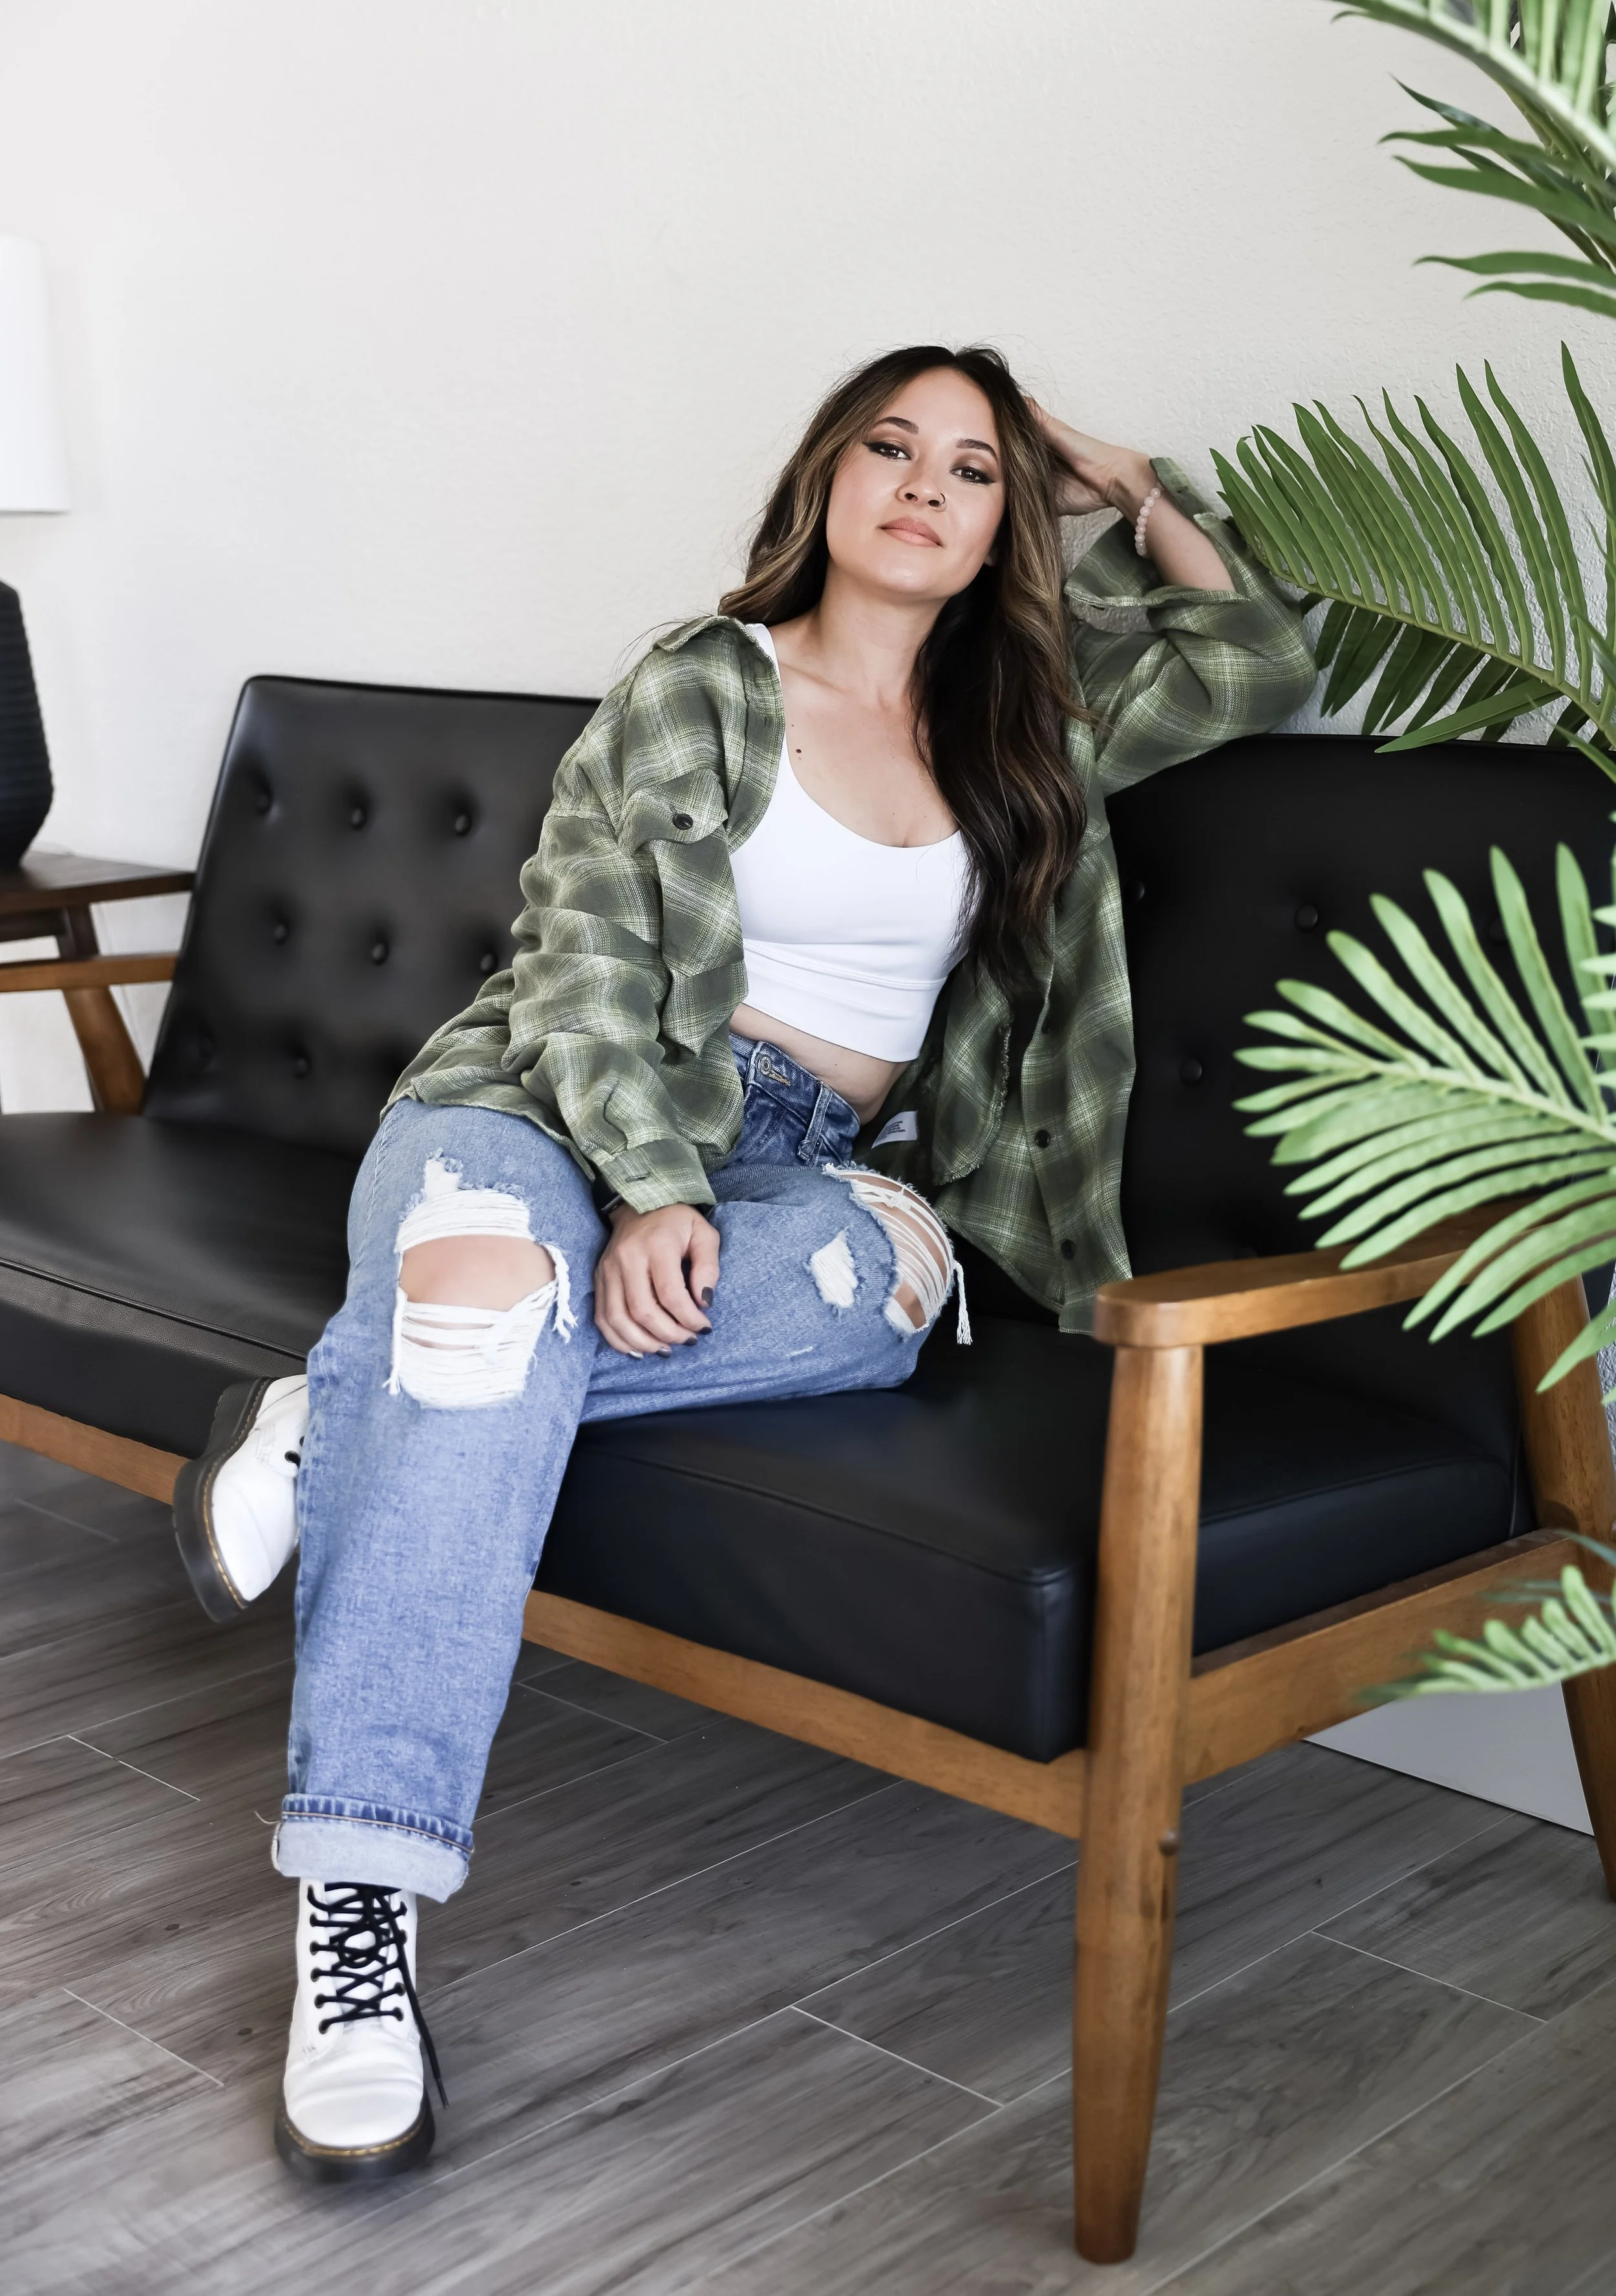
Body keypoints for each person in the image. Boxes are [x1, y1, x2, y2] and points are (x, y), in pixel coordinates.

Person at [170, 344, 1316, 2182]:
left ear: (1005, 523)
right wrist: (640, 1188)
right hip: (541, 1111)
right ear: (828, 474)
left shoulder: (1033, 723)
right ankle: (359, 1915)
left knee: (878, 1300)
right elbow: (579, 960)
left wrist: (1135, 481)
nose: (927, 484)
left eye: (974, 467)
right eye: (892, 444)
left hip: (815, 1172)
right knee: (476, 1311)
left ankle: (339, 1406)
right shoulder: (703, 682)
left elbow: (1267, 659)